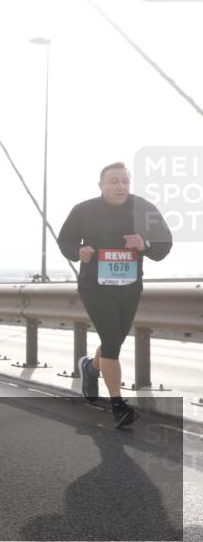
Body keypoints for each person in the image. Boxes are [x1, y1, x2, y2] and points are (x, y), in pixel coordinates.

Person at [58, 162, 172, 429]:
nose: (121, 186)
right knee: (111, 341)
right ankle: (118, 406)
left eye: (125, 181)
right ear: (101, 185)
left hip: (129, 287)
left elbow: (165, 244)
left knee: (114, 341)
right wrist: (78, 252)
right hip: (94, 287)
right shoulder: (83, 210)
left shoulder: (143, 209)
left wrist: (144, 244)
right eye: (114, 181)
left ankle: (90, 368)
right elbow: (65, 241)